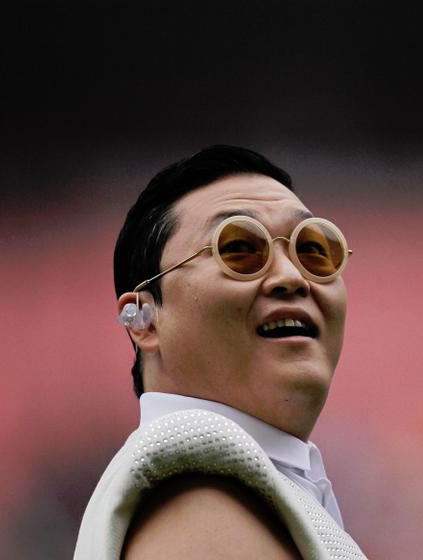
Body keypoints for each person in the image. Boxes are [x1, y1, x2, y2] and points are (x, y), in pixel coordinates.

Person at [74, 145, 366, 559]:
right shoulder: (200, 497)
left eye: (313, 250)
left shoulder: (247, 490)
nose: (290, 276)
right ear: (145, 318)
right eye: (238, 248)